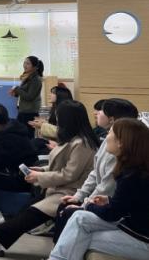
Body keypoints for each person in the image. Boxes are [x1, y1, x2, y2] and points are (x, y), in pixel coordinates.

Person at [0, 100, 99, 257]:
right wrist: (42, 170)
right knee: (24, 213)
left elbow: (69, 174)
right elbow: (62, 168)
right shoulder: (73, 140)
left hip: (69, 193)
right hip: (58, 189)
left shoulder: (82, 144)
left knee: (30, 214)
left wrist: (40, 176)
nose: (56, 122)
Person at [26, 119, 149, 260]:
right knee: (79, 219)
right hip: (131, 229)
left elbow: (113, 213)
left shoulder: (133, 175)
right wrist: (107, 201)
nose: (107, 137)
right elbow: (130, 204)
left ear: (121, 143)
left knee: (77, 240)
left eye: (111, 133)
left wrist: (89, 205)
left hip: (141, 241)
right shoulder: (133, 170)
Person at [51, 98, 138, 242]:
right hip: (103, 200)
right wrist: (79, 196)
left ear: (112, 119)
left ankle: (59, 253)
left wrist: (85, 204)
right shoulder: (109, 138)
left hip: (112, 206)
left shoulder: (120, 149)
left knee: (70, 212)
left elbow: (107, 187)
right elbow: (94, 173)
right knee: (66, 206)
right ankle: (57, 251)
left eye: (100, 111)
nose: (96, 113)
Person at [9, 56, 44, 138]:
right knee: (20, 134)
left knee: (27, 135)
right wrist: (16, 93)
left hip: (29, 112)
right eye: (24, 63)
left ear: (34, 67)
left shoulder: (36, 79)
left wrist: (17, 89)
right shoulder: (27, 76)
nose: (25, 65)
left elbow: (30, 96)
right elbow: (24, 92)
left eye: (28, 63)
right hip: (23, 110)